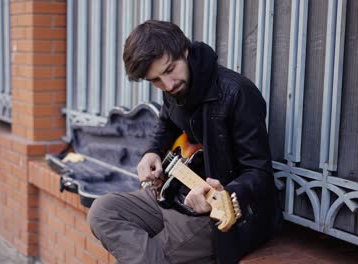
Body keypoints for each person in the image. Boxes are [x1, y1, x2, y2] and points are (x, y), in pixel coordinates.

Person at [87, 20, 282, 264]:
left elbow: (259, 172)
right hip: (174, 194)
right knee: (103, 211)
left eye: (170, 70)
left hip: (217, 213)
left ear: (185, 51)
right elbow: (167, 123)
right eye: (156, 80)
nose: (167, 85)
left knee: (149, 255)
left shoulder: (238, 92)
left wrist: (226, 192)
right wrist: (152, 151)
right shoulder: (174, 88)